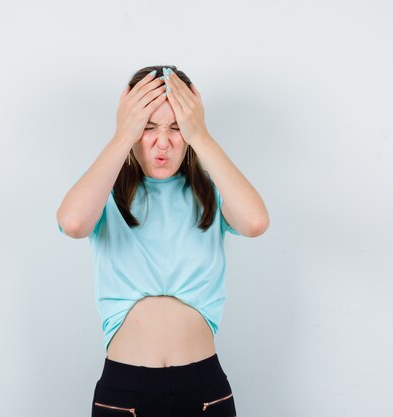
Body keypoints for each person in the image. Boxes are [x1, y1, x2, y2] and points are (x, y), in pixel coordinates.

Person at [56, 65, 270, 417]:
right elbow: (74, 222)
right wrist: (122, 135)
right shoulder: (104, 191)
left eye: (176, 128)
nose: (163, 142)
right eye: (148, 127)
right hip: (125, 392)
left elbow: (255, 222)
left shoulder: (211, 192)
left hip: (204, 389)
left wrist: (201, 135)